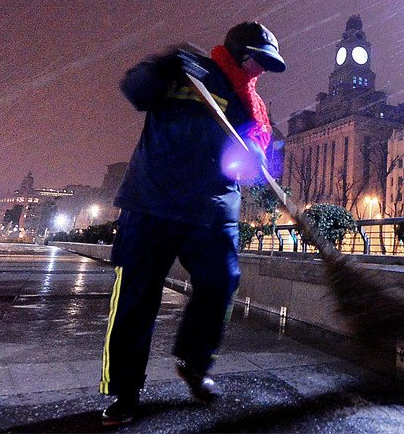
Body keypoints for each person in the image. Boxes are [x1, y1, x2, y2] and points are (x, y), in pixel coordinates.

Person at [99, 22, 285, 426]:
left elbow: (259, 153)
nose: (261, 71)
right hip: (153, 203)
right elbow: (135, 90)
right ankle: (125, 391)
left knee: (221, 283)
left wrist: (252, 151)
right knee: (136, 298)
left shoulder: (251, 106)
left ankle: (195, 361)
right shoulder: (189, 72)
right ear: (238, 52)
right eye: (258, 60)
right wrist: (161, 67)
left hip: (211, 211)